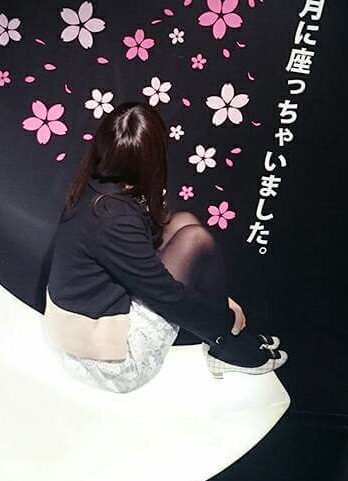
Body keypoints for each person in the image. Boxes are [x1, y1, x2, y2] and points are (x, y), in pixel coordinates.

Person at [42, 100, 287, 393]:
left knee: (184, 222)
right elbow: (166, 295)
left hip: (88, 324)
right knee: (195, 239)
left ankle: (227, 341)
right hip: (102, 356)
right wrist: (224, 318)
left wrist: (220, 306)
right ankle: (227, 342)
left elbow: (146, 247)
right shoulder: (111, 217)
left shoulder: (98, 184)